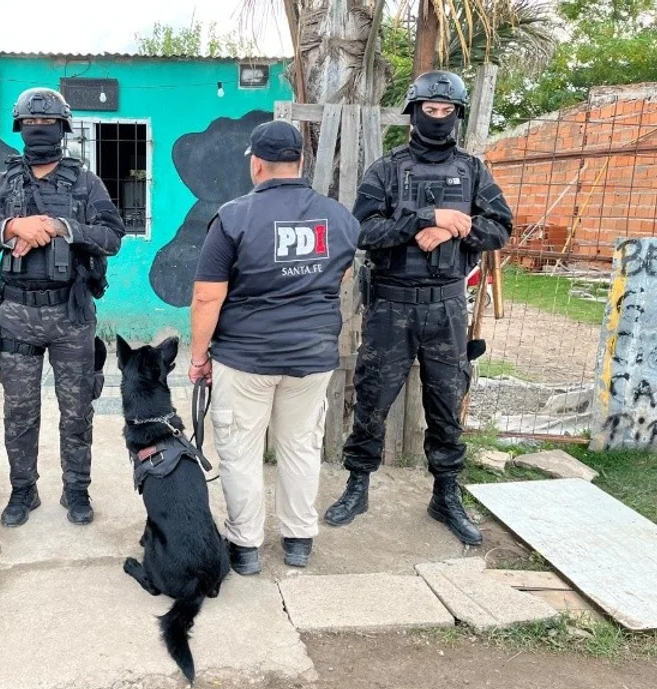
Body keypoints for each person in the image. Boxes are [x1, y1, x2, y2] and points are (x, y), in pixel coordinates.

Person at [323, 70, 513, 546]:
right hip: (391, 306)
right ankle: (357, 486)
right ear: (415, 111)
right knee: (372, 400)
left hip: (446, 307)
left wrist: (453, 227)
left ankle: (445, 495)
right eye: (431, 109)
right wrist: (424, 218)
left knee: (447, 404)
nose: (439, 117)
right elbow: (362, 231)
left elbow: (500, 228)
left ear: (457, 115)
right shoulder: (387, 170)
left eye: (447, 110)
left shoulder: (472, 171)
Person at [188, 120, 360, 574]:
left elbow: (207, 297)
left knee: (240, 451)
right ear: (300, 161)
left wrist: (199, 356)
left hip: (246, 358)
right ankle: (298, 540)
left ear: (257, 164)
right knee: (300, 447)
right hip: (312, 357)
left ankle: (245, 548)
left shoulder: (233, 217)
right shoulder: (339, 217)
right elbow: (341, 275)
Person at [0, 87, 125, 527]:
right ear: (20, 127)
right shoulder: (2, 185)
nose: (39, 129)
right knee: (19, 412)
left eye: (48, 123)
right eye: (32, 123)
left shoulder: (85, 183)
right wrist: (10, 227)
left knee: (77, 410)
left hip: (71, 314)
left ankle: (76, 490)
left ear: (62, 128)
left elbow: (112, 237)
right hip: (18, 313)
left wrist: (62, 227)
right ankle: (23, 491)